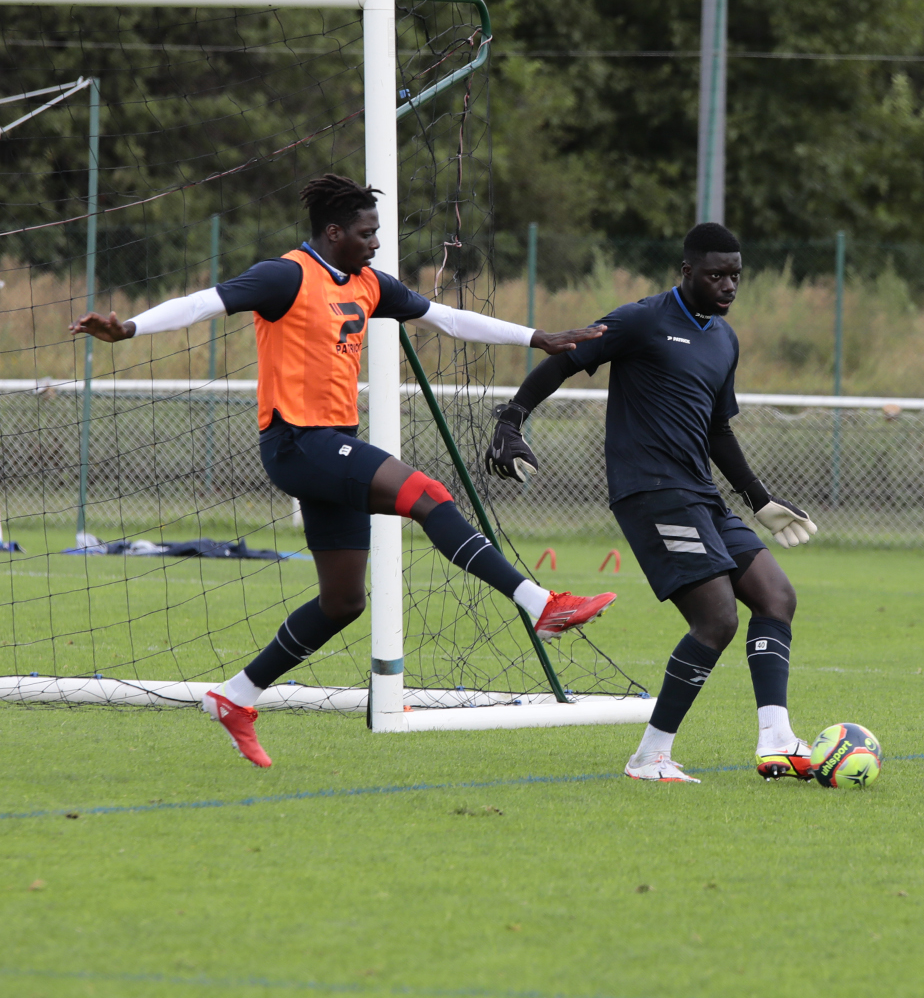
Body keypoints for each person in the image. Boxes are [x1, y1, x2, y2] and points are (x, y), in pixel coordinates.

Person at [69, 174, 619, 768]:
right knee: (428, 494)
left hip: (331, 446)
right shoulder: (286, 275)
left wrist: (540, 337)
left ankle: (236, 697)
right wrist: (129, 329)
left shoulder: (367, 284)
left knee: (343, 602)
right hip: (296, 443)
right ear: (333, 233)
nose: (376, 243)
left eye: (376, 232)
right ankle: (540, 603)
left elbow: (448, 320)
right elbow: (206, 301)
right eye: (366, 233)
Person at [483, 222, 819, 783]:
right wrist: (513, 418)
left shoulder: (722, 339)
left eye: (736, 275)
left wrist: (759, 500)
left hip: (700, 494)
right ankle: (650, 756)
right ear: (686, 272)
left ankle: (777, 739)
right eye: (715, 275)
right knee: (715, 619)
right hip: (652, 493)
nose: (728, 286)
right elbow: (567, 355)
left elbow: (718, 431)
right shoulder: (641, 319)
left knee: (776, 596)